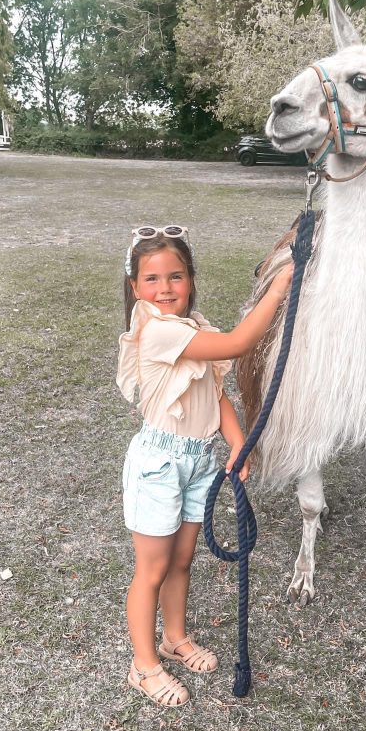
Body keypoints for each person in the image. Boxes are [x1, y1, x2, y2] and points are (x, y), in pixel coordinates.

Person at [117, 225, 293, 706]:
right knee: (150, 570)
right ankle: (144, 665)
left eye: (175, 276)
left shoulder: (193, 328)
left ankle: (174, 637)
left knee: (181, 561)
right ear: (135, 287)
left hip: (198, 459)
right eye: (152, 279)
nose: (165, 288)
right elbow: (239, 344)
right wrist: (280, 285)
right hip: (160, 461)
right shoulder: (157, 332)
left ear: (191, 280)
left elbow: (214, 396)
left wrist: (236, 444)